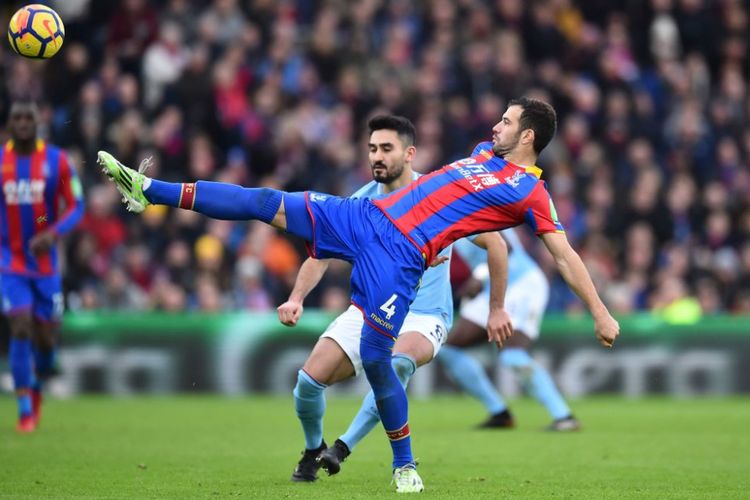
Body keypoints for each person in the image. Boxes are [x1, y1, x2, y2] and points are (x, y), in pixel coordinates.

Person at [99, 96, 620, 493]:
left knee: (379, 361)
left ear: (527, 136)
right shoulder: (483, 154)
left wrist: (598, 311)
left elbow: (563, 254)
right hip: (365, 219)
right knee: (264, 201)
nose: (494, 126)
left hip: (401, 259)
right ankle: (148, 192)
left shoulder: (531, 193)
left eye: (506, 121)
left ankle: (405, 465)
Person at [276, 115, 508, 485]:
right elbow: (320, 254)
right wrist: (297, 297)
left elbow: (496, 243)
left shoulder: (439, 196)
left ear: (409, 153)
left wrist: (496, 309)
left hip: (425, 315)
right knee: (307, 383)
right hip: (368, 311)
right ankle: (312, 450)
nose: (377, 157)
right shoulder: (361, 202)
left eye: (386, 148)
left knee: (396, 363)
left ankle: (353, 449)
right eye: (372, 149)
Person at [439, 225, 581, 431]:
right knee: (448, 349)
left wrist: (478, 276)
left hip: (521, 283)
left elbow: (503, 245)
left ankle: (564, 416)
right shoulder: (443, 215)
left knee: (511, 354)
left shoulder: (470, 202)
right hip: (493, 287)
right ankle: (499, 412)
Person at [0, 101, 85, 432]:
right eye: (17, 118)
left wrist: (52, 232)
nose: (23, 123)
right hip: (9, 261)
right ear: (9, 123)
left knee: (46, 339)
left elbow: (76, 206)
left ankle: (41, 376)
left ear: (39, 123)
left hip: (47, 264)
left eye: (28, 118)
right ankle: (25, 407)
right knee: (20, 327)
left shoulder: (57, 161)